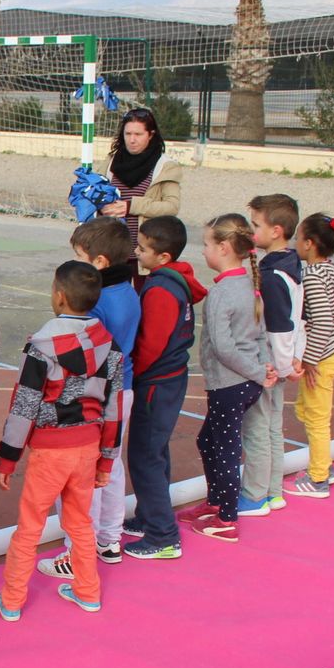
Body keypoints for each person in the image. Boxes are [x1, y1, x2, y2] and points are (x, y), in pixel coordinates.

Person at [0, 263, 123, 619]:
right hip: (88, 449)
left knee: (30, 525)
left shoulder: (40, 347)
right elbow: (114, 409)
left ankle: (12, 600)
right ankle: (88, 592)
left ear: (59, 296)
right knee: (80, 522)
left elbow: (24, 406)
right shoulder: (110, 346)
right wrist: (107, 460)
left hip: (50, 451)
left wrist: (8, 458)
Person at [39, 218, 139, 576]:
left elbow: (82, 356)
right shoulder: (128, 292)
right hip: (122, 389)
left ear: (99, 262)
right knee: (110, 465)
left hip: (95, 396)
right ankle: (109, 540)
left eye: (79, 256)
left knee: (83, 475)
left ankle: (76, 553)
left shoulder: (95, 304)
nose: (74, 261)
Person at [183, 215, 277, 542]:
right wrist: (262, 367)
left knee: (225, 448)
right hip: (244, 381)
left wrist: (259, 371)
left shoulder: (222, 292)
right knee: (208, 441)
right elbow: (260, 334)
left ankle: (226, 518)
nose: (203, 250)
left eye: (206, 244)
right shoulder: (249, 285)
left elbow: (224, 348)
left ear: (223, 248)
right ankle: (216, 501)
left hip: (230, 384)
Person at [122, 216, 205, 559]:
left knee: (145, 457)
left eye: (143, 249)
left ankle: (163, 536)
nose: (137, 253)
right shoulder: (174, 281)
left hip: (156, 382)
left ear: (164, 256)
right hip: (170, 378)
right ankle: (149, 515)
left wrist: (131, 374)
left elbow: (151, 345)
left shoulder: (160, 290)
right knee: (155, 452)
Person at [237, 194, 305, 516]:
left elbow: (280, 326)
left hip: (269, 365)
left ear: (276, 231)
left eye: (255, 225)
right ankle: (273, 491)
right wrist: (294, 358)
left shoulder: (273, 275)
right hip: (281, 361)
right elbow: (298, 320)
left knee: (257, 430)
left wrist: (279, 367)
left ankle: (254, 496)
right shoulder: (291, 264)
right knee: (272, 428)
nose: (251, 231)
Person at [287, 214, 334, 497]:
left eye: (297, 238)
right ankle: (323, 465)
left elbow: (322, 323)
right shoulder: (329, 269)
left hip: (321, 358)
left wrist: (310, 360)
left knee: (317, 419)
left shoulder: (312, 277)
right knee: (305, 410)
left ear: (309, 243)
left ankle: (319, 478)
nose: (294, 243)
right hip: (330, 352)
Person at [98, 107, 182, 244]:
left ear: (150, 135)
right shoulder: (111, 161)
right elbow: (95, 193)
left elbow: (172, 207)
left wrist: (131, 206)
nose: (132, 140)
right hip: (109, 245)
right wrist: (100, 205)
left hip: (144, 247)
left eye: (138, 134)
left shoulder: (165, 166)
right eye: (128, 133)